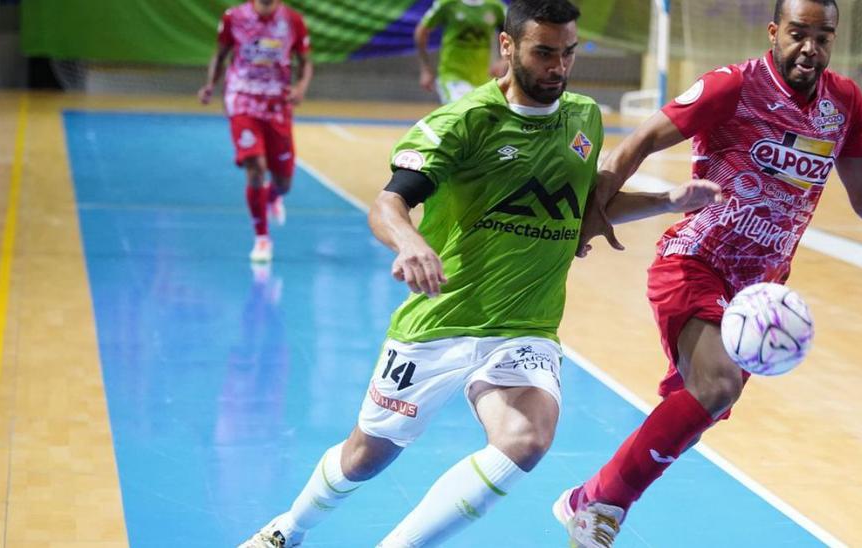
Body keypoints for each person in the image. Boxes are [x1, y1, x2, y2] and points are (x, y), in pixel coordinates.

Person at [240, 2, 714, 546]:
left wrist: (667, 200)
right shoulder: (464, 121)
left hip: (525, 326)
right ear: (508, 47)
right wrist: (411, 241)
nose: (558, 67)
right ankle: (286, 530)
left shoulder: (584, 117)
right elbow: (387, 205)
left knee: (526, 438)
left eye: (568, 53)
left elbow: (578, 204)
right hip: (441, 318)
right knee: (365, 456)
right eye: (544, 53)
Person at [554, 0, 862, 545]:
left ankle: (586, 499)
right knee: (718, 384)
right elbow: (637, 143)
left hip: (757, 295)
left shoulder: (843, 103)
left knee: (703, 402)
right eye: (798, 34)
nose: (810, 48)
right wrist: (591, 215)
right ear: (775, 32)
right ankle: (601, 507)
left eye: (822, 37)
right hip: (694, 261)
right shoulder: (732, 86)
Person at [199, 0, 313, 263]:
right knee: (256, 166)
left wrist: (300, 88)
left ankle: (272, 196)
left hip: (277, 105)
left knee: (284, 183)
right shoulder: (234, 17)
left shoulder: (292, 20)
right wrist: (210, 85)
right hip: (242, 100)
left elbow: (305, 62)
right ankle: (262, 238)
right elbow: (221, 53)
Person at [415, 0, 508, 104]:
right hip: (452, 76)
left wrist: (504, 61)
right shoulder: (447, 4)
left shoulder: (495, 6)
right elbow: (421, 31)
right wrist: (425, 68)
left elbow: (514, 32)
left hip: (484, 78)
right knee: (462, 109)